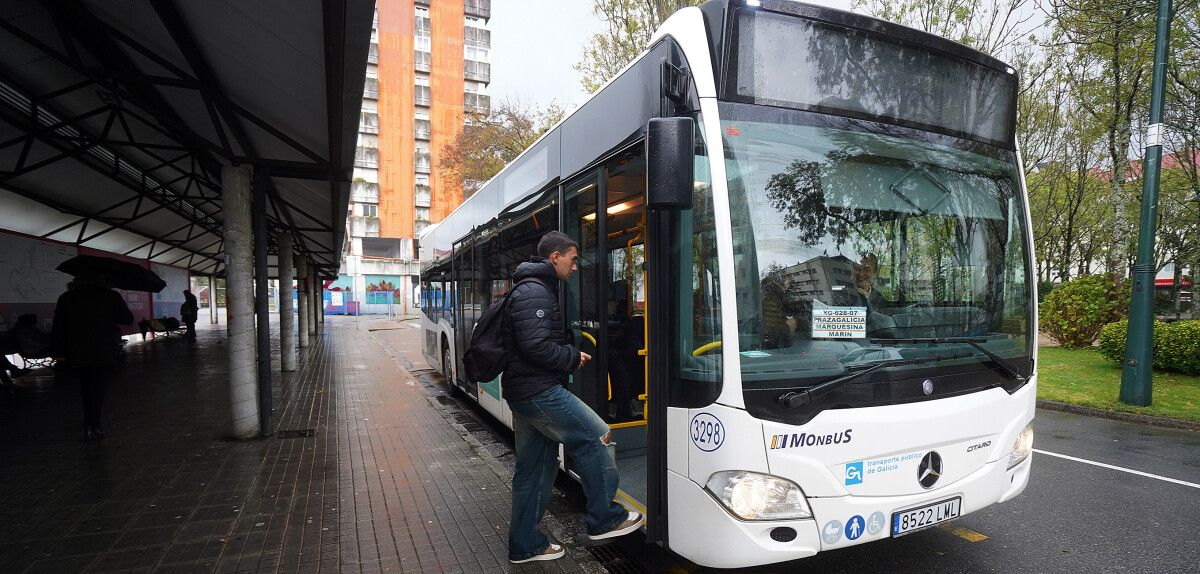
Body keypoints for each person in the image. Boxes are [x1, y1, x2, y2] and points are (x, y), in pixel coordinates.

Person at [502, 230, 642, 564]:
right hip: (539, 391)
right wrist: (571, 356)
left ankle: (525, 546)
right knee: (598, 436)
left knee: (534, 471)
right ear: (555, 257)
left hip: (525, 390)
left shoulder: (532, 288)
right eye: (573, 259)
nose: (575, 267)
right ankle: (605, 519)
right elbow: (534, 345)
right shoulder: (536, 292)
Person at [52, 275, 134, 440]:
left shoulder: (67, 297)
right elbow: (127, 319)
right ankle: (93, 424)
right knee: (98, 386)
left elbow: (58, 326)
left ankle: (89, 422)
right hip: (102, 348)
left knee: (85, 385)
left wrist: (60, 353)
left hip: (77, 349)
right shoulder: (110, 296)